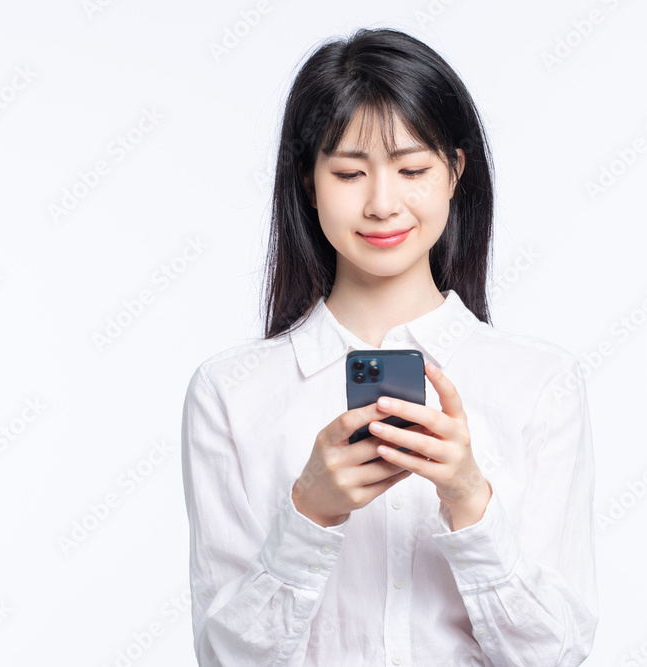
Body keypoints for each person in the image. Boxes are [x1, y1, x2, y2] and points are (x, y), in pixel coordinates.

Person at [181, 27, 598, 666]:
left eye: (412, 169)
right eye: (349, 172)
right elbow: (225, 657)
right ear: (307, 180)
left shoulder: (539, 382)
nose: (382, 203)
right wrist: (308, 516)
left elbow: (555, 656)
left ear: (455, 172)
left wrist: (468, 500)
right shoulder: (231, 392)